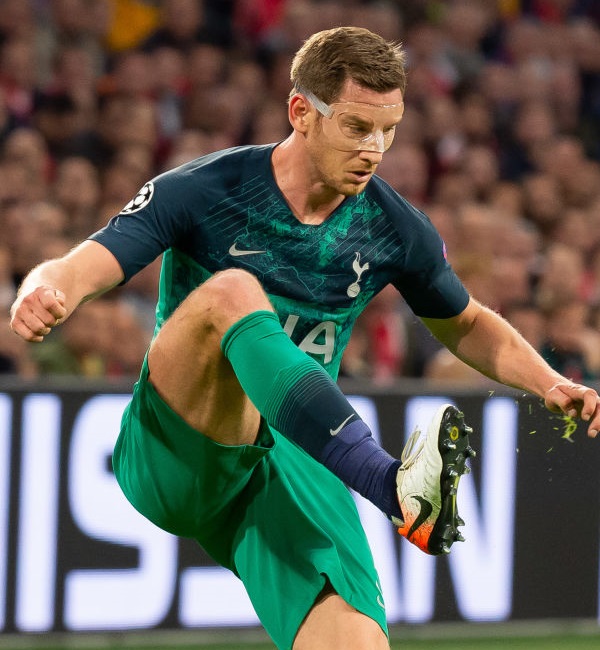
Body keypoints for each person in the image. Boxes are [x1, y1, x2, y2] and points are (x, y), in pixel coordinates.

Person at [9, 26, 600, 650]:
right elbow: (90, 260)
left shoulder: (394, 228)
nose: (375, 149)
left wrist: (549, 381)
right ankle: (389, 486)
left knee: (357, 642)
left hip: (294, 453)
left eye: (389, 130)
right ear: (301, 111)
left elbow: (469, 322)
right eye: (357, 127)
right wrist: (45, 288)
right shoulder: (209, 189)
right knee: (233, 292)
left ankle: (390, 494)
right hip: (179, 446)